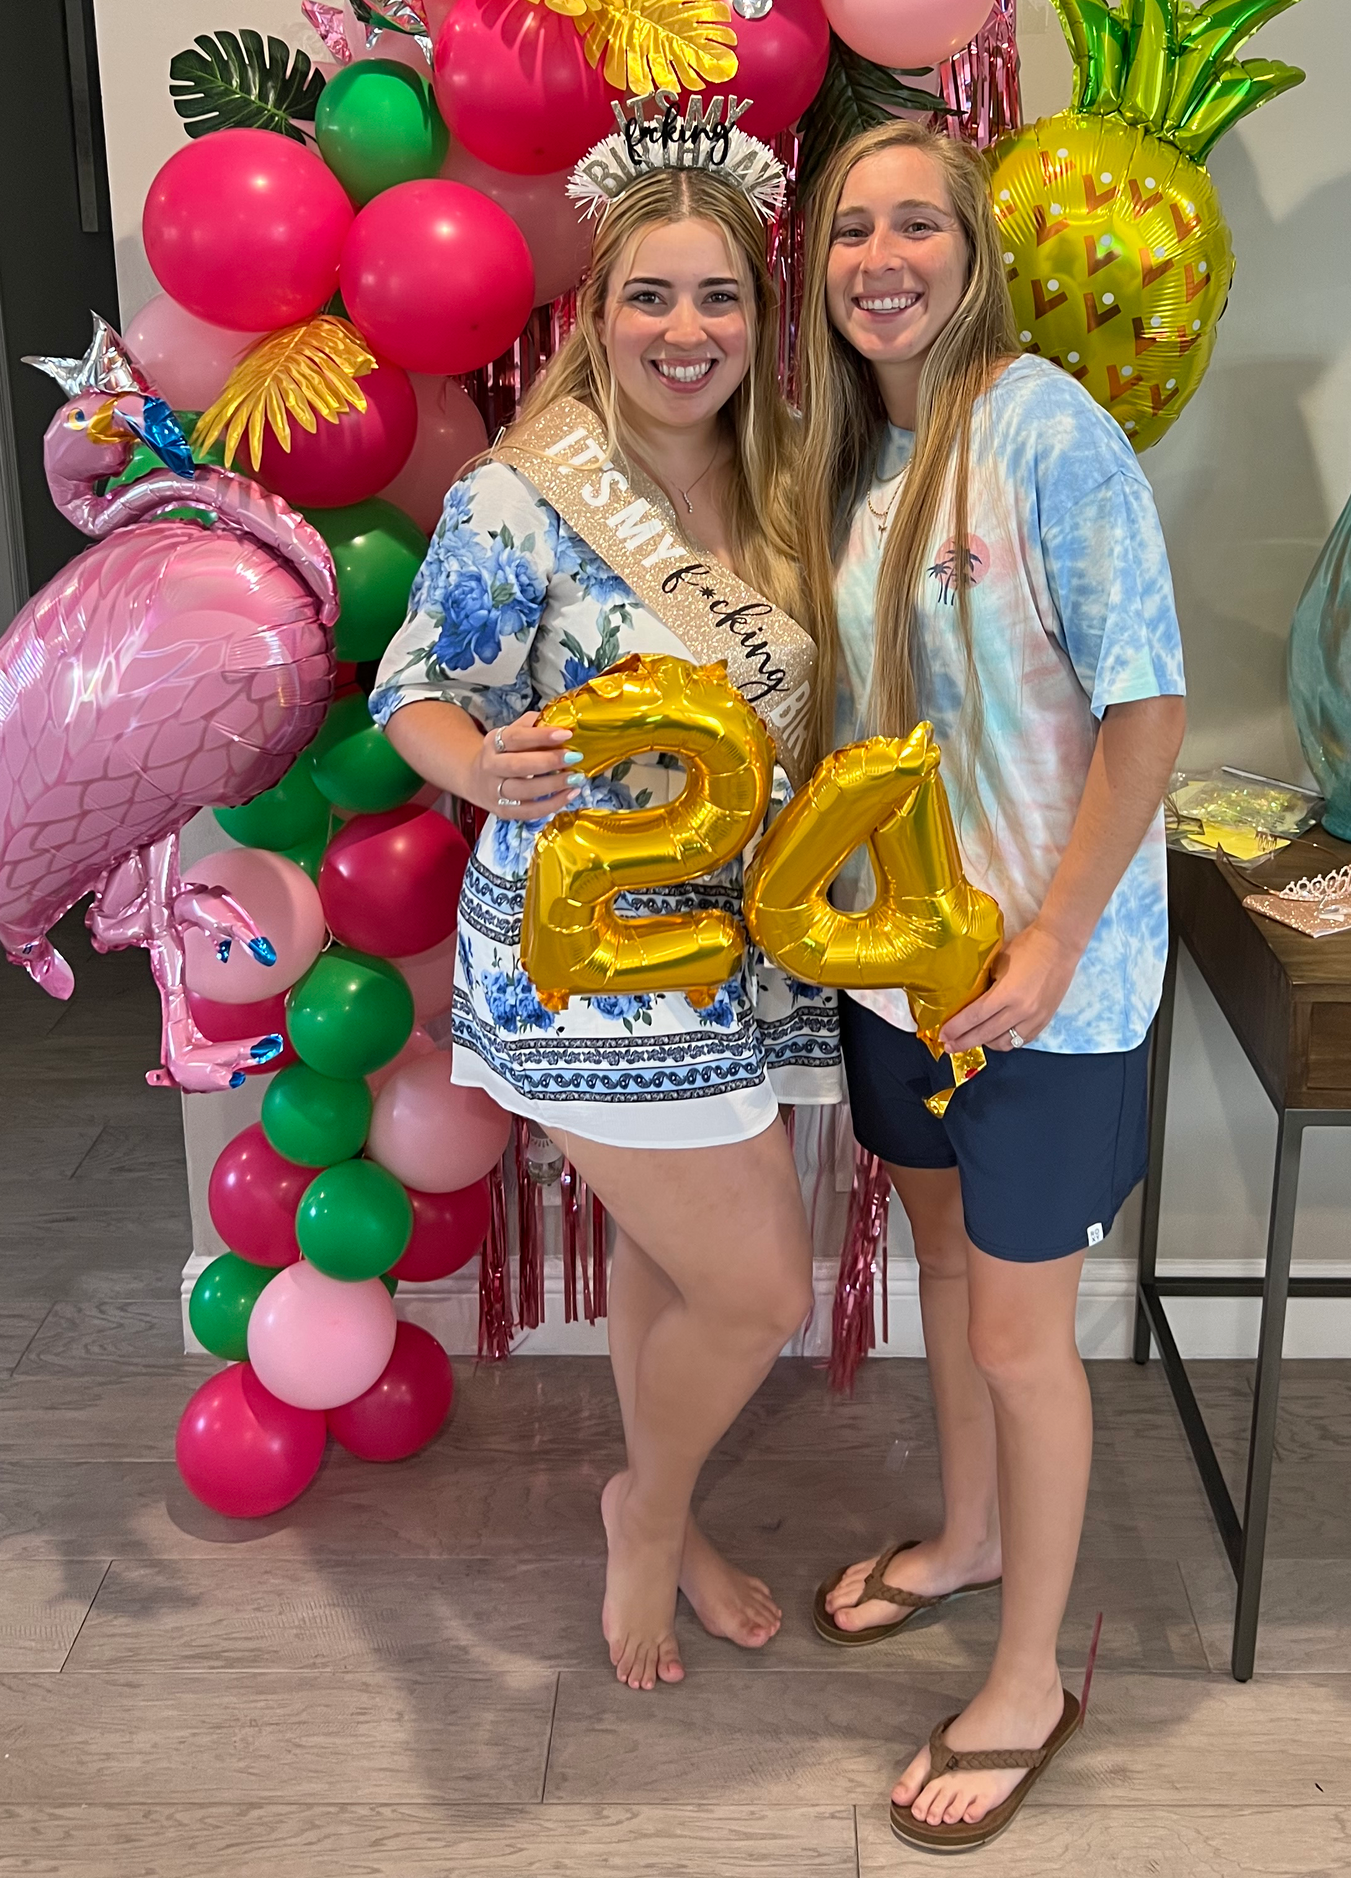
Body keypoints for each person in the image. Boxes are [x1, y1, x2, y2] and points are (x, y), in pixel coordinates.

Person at [371, 119, 837, 1692]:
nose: (685, 331)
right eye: (651, 296)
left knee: (668, 1260)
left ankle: (674, 1509)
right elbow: (416, 692)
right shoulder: (524, 496)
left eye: (717, 297)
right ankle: (644, 1511)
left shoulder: (788, 486)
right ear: (597, 314)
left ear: (756, 321)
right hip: (586, 954)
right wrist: (479, 769)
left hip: (734, 950)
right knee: (761, 1287)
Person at [796, 123, 1186, 1850]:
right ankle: (964, 1541)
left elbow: (1147, 711)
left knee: (1025, 1332)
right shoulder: (861, 459)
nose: (882, 256)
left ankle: (1031, 1674)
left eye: (916, 226)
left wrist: (1046, 945)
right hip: (906, 977)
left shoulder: (1046, 430)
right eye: (851, 229)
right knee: (943, 1268)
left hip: (1044, 986)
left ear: (974, 253)